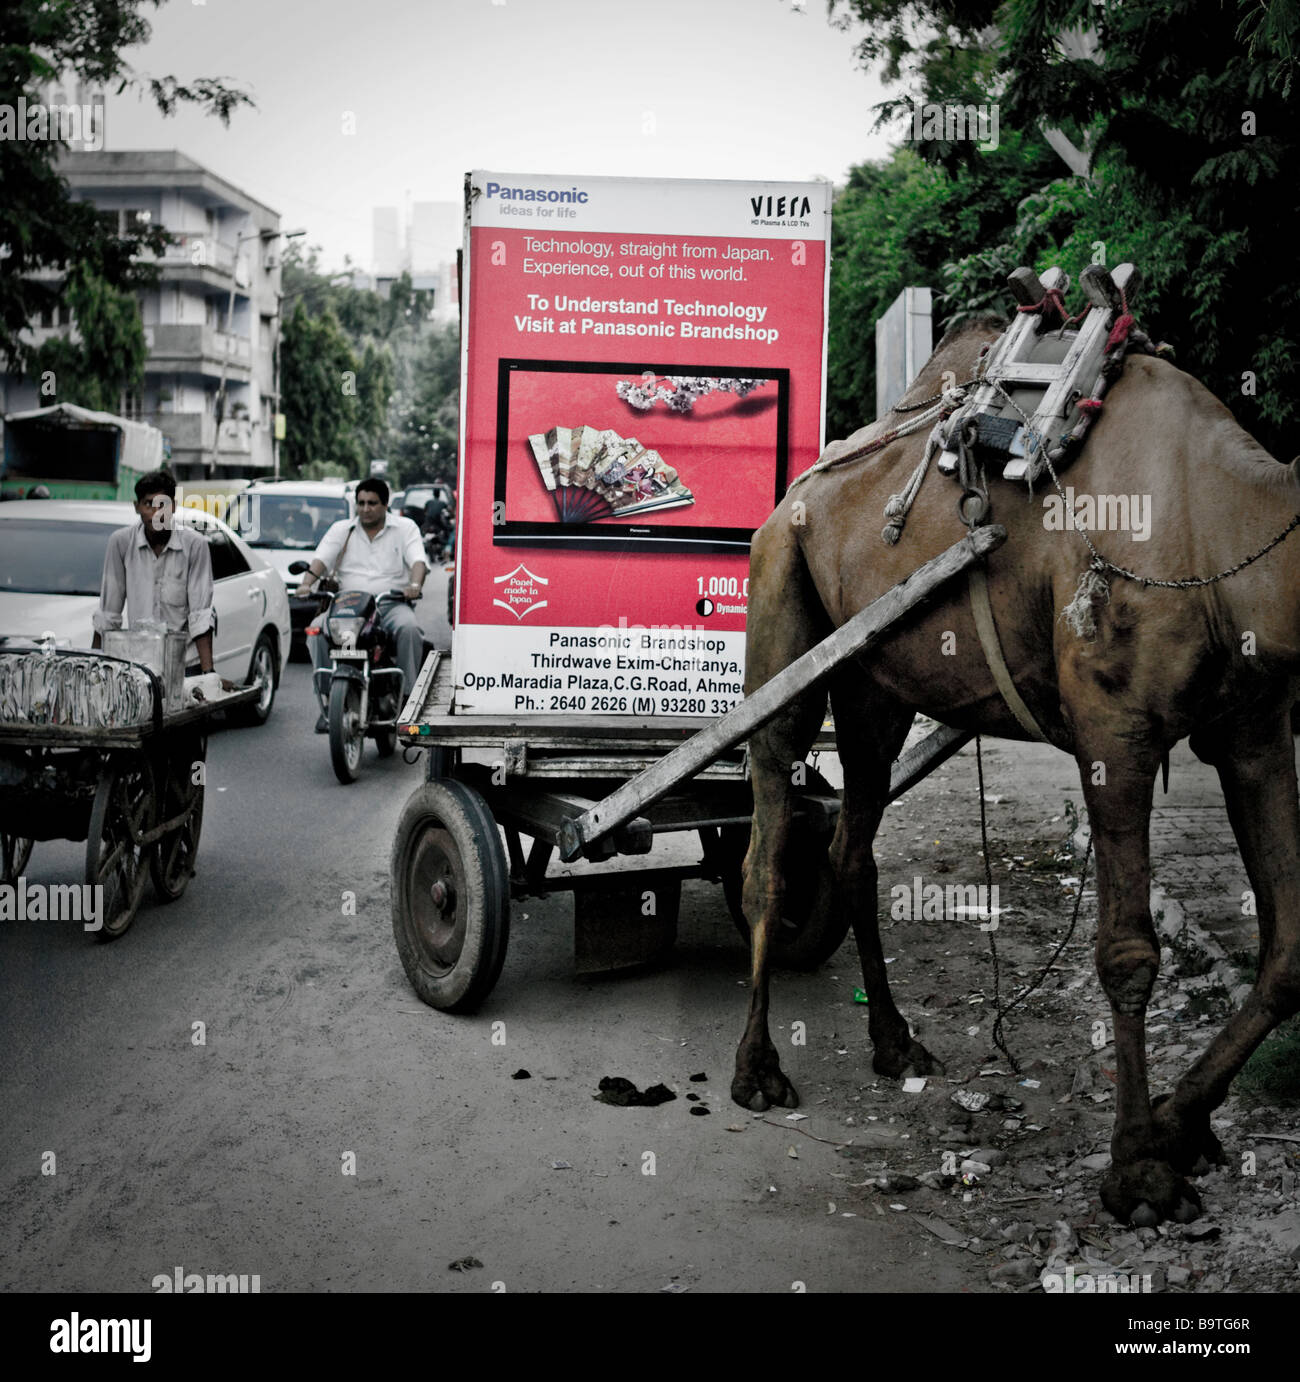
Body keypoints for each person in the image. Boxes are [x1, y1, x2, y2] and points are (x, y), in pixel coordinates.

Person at [295, 476, 427, 732]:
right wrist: (305, 585)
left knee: (410, 628)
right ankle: (327, 699)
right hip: (348, 605)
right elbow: (320, 560)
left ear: (385, 504)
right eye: (361, 503)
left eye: (372, 503)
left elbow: (418, 562)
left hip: (389, 604)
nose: (366, 509)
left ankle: (409, 701)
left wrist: (415, 586)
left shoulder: (405, 528)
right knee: (316, 629)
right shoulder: (342, 530)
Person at [91, 469, 227, 685]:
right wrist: (94, 669)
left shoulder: (195, 545)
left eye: (162, 504)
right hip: (139, 665)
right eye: (148, 504)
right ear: (137, 507)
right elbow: (108, 614)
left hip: (185, 664)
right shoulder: (121, 543)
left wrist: (208, 673)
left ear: (173, 506)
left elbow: (201, 615)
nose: (156, 513)